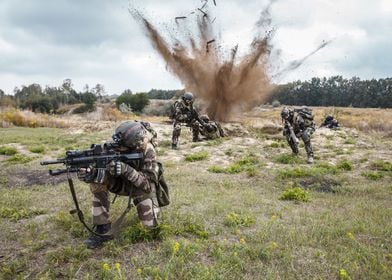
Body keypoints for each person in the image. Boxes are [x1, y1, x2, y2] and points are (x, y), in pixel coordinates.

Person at [80, 121, 161, 249]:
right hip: (119, 184)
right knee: (97, 181)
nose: (119, 149)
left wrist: (125, 169)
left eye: (123, 149)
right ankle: (102, 227)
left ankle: (152, 208)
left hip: (141, 188)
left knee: (150, 228)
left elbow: (147, 185)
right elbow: (97, 171)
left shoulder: (148, 150)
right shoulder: (111, 147)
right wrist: (91, 174)